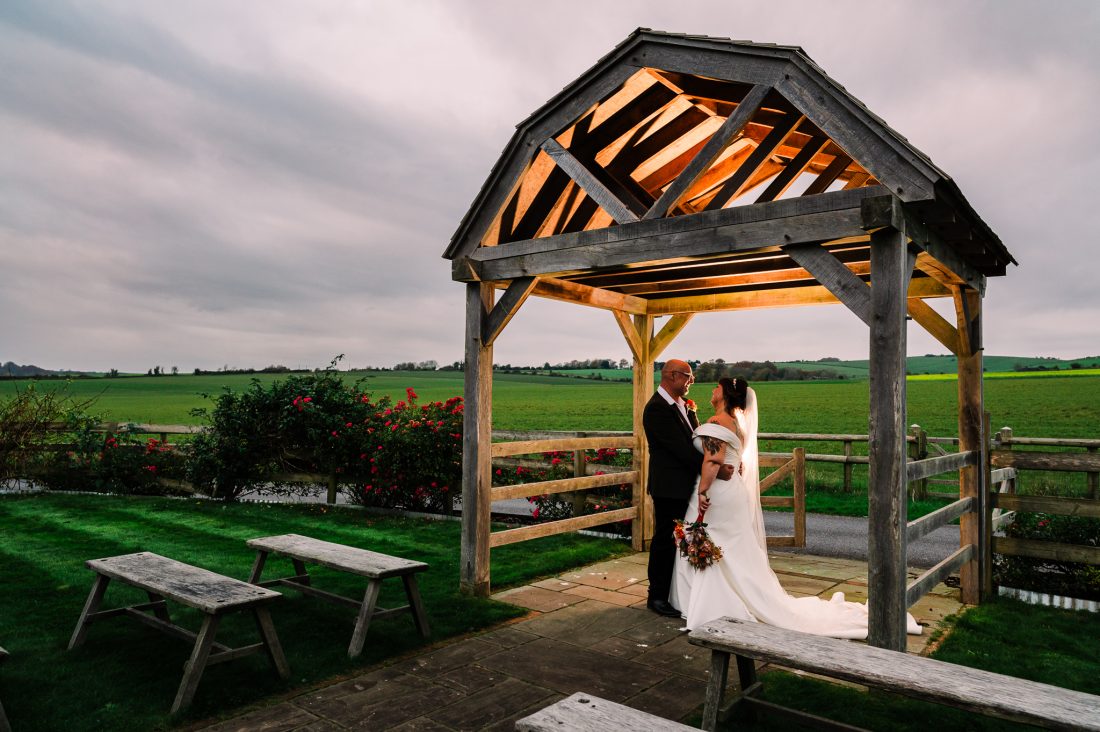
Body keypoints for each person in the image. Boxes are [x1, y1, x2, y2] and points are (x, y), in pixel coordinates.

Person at [670, 377, 923, 638]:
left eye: (717, 387)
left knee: (706, 540)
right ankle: (738, 595)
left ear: (724, 395)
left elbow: (713, 460)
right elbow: (734, 461)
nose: (713, 390)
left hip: (717, 493)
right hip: (733, 492)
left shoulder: (717, 422)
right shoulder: (738, 425)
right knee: (731, 547)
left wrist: (702, 491)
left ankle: (709, 603)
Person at [642, 359, 734, 617]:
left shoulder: (685, 407)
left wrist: (715, 465)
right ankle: (656, 596)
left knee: (682, 539)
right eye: (687, 376)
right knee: (664, 540)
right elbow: (682, 452)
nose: (691, 381)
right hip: (669, 486)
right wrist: (714, 471)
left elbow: (699, 444)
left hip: (688, 484)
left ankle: (677, 592)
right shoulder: (656, 409)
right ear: (671, 375)